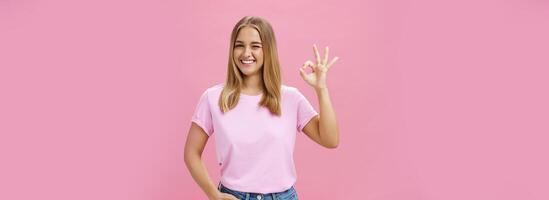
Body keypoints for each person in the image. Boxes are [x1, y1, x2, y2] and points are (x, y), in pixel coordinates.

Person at [184, 16, 340, 200]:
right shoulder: (213, 98)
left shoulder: (290, 98)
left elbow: (330, 140)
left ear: (268, 50)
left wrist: (321, 89)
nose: (246, 53)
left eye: (255, 46)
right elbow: (191, 153)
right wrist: (214, 195)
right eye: (239, 45)